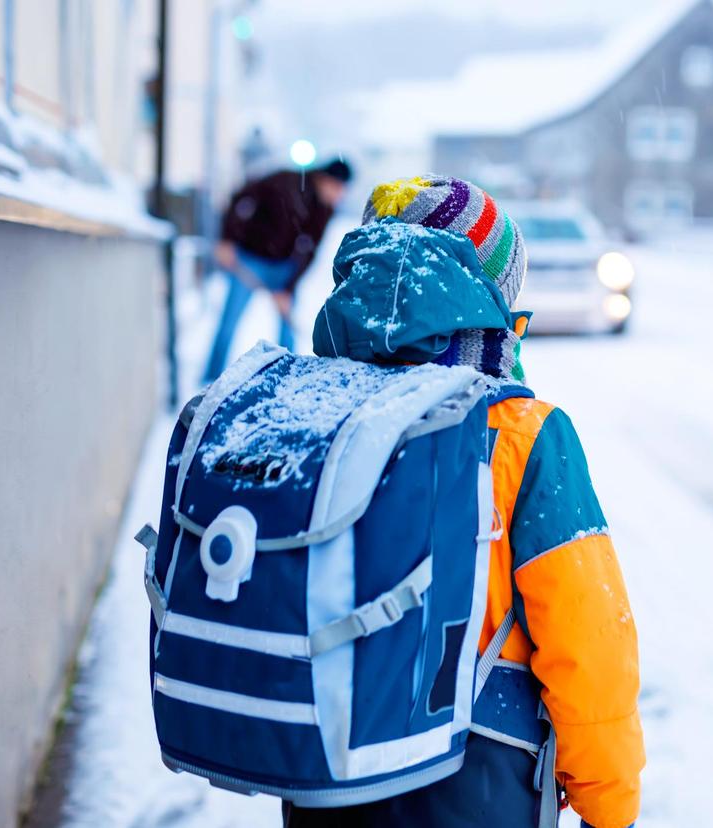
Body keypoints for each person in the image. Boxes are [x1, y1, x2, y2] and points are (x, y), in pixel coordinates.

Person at [287, 176, 645, 828]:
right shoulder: (524, 433)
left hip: (324, 772)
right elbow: (590, 645)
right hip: (474, 781)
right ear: (481, 297)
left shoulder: (309, 408)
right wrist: (609, 803)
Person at [202, 158, 352, 382]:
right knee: (229, 321)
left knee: (287, 329)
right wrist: (227, 239)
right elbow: (241, 197)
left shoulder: (325, 209)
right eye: (337, 188)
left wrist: (289, 289)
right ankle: (210, 377)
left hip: (284, 269)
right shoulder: (284, 181)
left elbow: (310, 251)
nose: (339, 195)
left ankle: (286, 377)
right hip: (250, 260)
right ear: (324, 179)